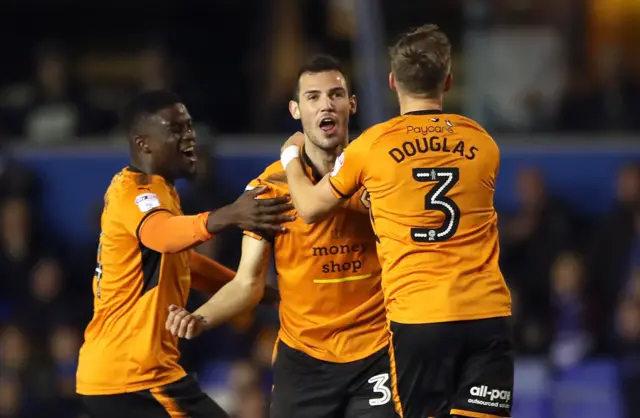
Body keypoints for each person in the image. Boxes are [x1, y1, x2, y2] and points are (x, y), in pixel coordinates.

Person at [277, 25, 514, 418]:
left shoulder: (373, 147)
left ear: (392, 82)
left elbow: (309, 207)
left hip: (418, 319)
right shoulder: (483, 143)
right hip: (486, 316)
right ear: (449, 80)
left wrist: (290, 155)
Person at [165, 55, 397, 418]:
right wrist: (200, 318)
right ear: (295, 110)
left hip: (377, 355)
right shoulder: (269, 188)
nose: (326, 104)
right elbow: (248, 283)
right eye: (313, 97)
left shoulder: (381, 178)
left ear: (351, 105)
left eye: (336, 94)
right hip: (304, 361)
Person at [76, 90, 294, 418]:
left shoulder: (161, 190)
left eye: (189, 127)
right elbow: (162, 235)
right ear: (144, 142)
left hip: (115, 376)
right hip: (134, 377)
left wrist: (252, 289)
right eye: (175, 129)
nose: (188, 137)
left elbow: (182, 262)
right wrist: (231, 215)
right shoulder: (137, 194)